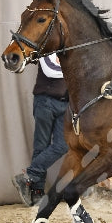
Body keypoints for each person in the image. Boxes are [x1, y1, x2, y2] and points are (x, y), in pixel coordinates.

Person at [11, 53, 69, 207]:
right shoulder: (46, 49)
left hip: (65, 103)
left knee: (62, 145)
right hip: (45, 101)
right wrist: (71, 64)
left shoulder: (69, 48)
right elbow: (51, 70)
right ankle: (37, 193)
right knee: (41, 146)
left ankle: (28, 176)